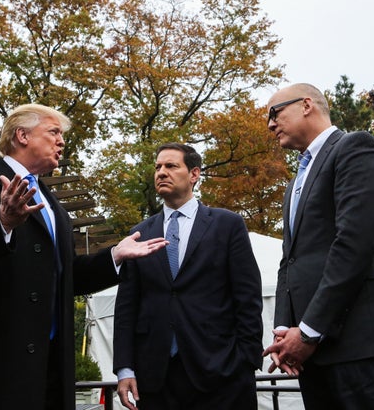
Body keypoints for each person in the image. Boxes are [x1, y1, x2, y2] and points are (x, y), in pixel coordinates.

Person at [0, 103, 167, 410]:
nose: (61, 142)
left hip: (47, 368)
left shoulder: (56, 210)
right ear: (22, 135)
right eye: (53, 133)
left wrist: (115, 256)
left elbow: (64, 276)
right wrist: (1, 223)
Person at [263, 83, 374, 409]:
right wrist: (284, 329)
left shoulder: (354, 147)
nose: (270, 124)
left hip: (359, 347)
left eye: (274, 113)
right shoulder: (294, 184)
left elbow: (353, 245)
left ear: (305, 105)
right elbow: (290, 259)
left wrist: (309, 331)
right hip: (310, 355)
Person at [113, 143, 263, 410]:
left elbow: (248, 297)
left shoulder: (227, 225)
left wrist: (246, 362)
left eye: (171, 166)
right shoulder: (138, 235)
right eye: (158, 167)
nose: (161, 172)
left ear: (194, 174)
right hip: (155, 377)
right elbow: (126, 307)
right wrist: (124, 368)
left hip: (221, 374)